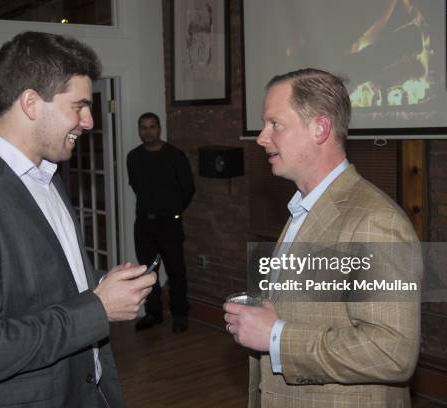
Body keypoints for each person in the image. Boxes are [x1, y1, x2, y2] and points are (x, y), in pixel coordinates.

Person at [0, 31, 156, 407]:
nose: (89, 122)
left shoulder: (48, 179)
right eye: (78, 106)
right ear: (30, 103)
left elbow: (41, 292)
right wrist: (98, 308)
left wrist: (100, 286)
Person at [223, 68, 421, 407]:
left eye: (276, 124)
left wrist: (275, 336)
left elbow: (392, 352)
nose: (261, 137)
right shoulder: (305, 207)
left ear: (320, 128)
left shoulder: (376, 221)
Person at [127, 112, 195, 333]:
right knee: (147, 272)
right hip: (144, 224)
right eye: (143, 127)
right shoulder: (133, 157)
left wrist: (173, 210)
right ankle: (153, 313)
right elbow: (136, 185)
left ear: (160, 129)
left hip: (170, 223)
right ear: (139, 130)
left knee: (176, 270)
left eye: (152, 127)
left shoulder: (175, 156)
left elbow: (188, 189)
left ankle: (179, 314)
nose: (147, 131)